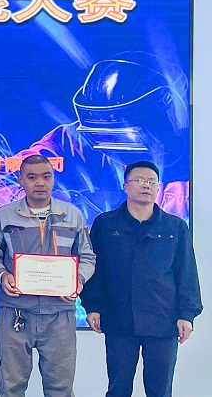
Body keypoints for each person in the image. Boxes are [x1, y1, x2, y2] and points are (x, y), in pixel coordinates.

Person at [81, 160, 202, 397]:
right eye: (139, 180)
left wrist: (187, 314)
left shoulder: (175, 226)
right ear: (125, 186)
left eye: (151, 182)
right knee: (118, 388)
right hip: (119, 316)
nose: (145, 185)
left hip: (163, 318)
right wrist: (93, 306)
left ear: (158, 188)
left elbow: (186, 272)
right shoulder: (106, 224)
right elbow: (96, 268)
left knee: (160, 390)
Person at [0, 154, 96, 397]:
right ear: (20, 180)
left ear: (53, 178)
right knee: (11, 389)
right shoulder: (4, 216)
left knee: (61, 390)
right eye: (32, 177)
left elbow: (87, 257)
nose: (40, 183)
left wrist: (77, 281)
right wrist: (2, 275)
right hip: (15, 311)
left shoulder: (72, 215)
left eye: (46, 177)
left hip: (59, 313)